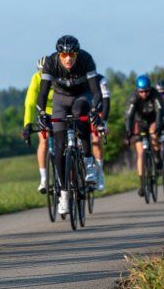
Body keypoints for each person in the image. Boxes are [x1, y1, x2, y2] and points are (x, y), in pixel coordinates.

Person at [37, 35, 103, 216]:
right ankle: (64, 195)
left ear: (77, 53)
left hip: (82, 97)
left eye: (72, 55)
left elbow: (96, 91)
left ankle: (89, 162)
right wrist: (42, 114)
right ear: (58, 55)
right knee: (58, 147)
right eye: (64, 55)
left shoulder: (86, 59)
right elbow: (42, 93)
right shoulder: (51, 62)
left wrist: (95, 112)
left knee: (80, 114)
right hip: (60, 99)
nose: (68, 59)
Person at [124, 74, 164, 197]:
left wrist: (158, 127)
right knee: (141, 153)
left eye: (146, 91)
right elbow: (129, 116)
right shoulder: (133, 97)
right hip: (140, 122)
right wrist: (128, 132)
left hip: (153, 120)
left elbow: (160, 113)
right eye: (141, 91)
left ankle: (157, 157)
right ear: (137, 90)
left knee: (153, 135)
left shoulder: (155, 95)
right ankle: (142, 184)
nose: (144, 94)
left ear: (150, 89)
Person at [22, 56, 53, 194]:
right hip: (44, 112)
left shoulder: (58, 78)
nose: (44, 75)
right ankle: (44, 179)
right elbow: (30, 102)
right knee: (44, 141)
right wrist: (27, 123)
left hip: (60, 110)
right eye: (41, 72)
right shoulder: (36, 78)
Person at [91, 75, 111, 191]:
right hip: (82, 112)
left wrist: (103, 121)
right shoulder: (76, 77)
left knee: (96, 140)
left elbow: (106, 102)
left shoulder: (101, 80)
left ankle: (99, 173)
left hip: (98, 113)